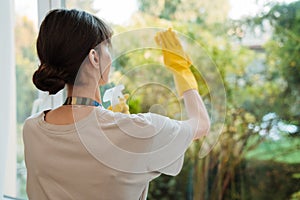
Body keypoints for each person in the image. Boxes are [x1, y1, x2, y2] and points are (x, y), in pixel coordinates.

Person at [23, 9, 210, 200]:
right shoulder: (137, 131)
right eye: (107, 48)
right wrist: (181, 70)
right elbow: (201, 123)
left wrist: (109, 117)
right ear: (95, 58)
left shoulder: (32, 130)